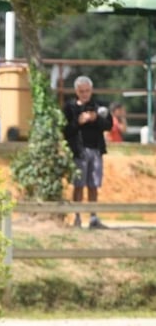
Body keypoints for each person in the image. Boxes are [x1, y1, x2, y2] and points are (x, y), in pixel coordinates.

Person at [63, 75, 113, 229]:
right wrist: (78, 122)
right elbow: (65, 130)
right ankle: (77, 217)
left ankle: (93, 218)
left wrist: (95, 118)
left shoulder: (98, 106)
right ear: (76, 92)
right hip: (79, 151)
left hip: (96, 150)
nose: (85, 94)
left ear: (91, 91)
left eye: (87, 91)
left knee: (93, 185)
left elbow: (108, 125)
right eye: (81, 91)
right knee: (78, 185)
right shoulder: (70, 107)